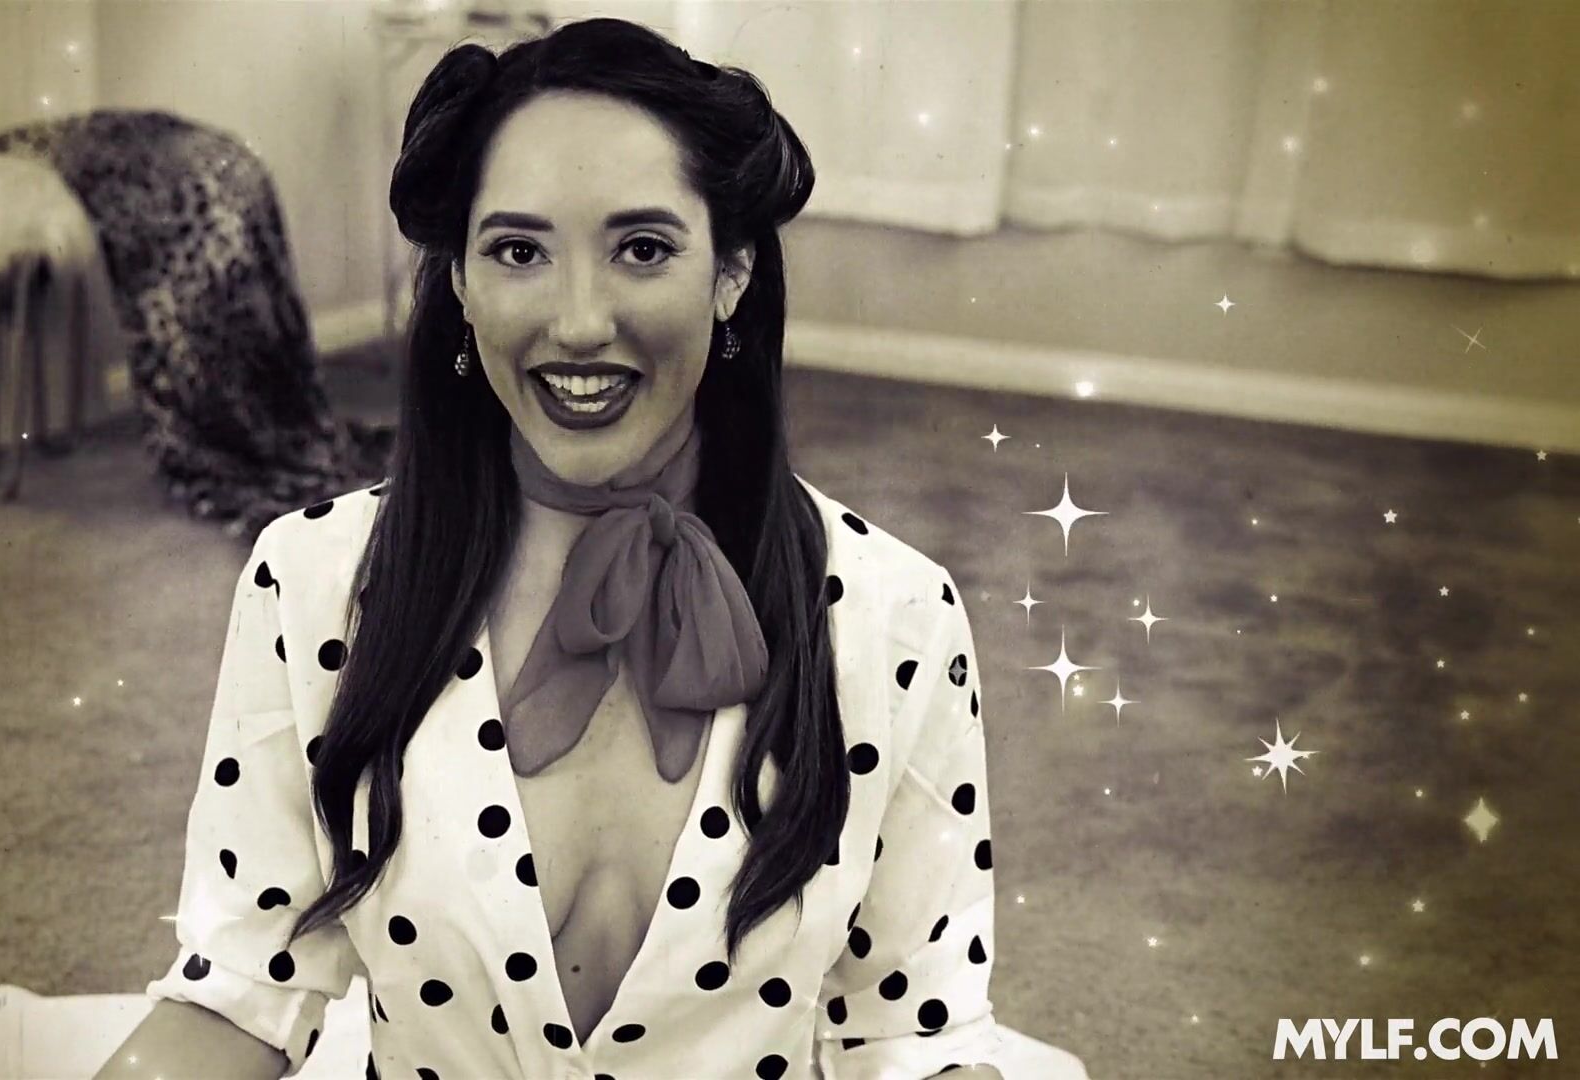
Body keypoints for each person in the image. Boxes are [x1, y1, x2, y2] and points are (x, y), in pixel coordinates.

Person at [98, 16, 1015, 1079]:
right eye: (519, 251)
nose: (579, 323)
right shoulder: (310, 583)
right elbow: (237, 995)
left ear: (732, 272)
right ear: (459, 280)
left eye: (642, 249)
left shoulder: (896, 616)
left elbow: (913, 1034)